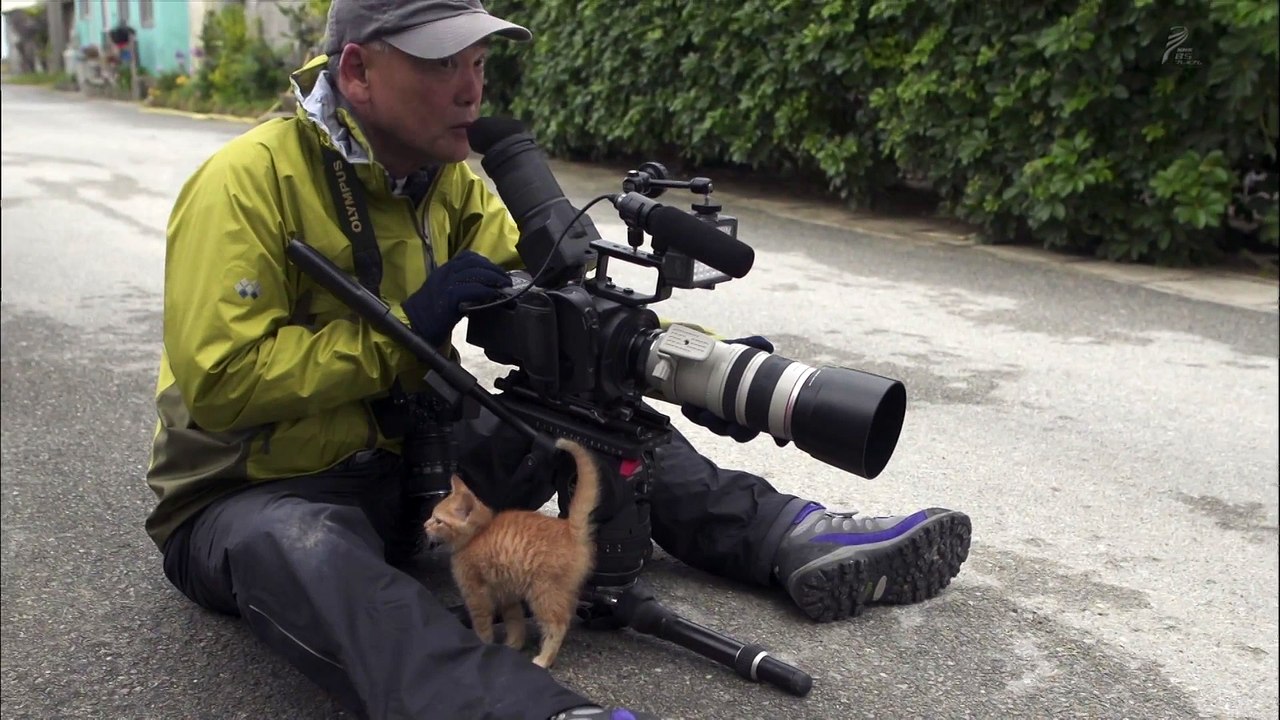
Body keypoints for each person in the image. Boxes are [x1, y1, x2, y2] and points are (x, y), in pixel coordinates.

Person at [144, 1, 972, 719]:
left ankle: (787, 534)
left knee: (586, 421)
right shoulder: (244, 181)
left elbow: (559, 309)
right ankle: (532, 709)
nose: (472, 89)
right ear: (357, 71)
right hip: (255, 493)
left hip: (412, 468)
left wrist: (678, 363)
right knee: (309, 549)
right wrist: (401, 328)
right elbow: (221, 382)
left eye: (478, 62)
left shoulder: (449, 180)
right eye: (443, 65)